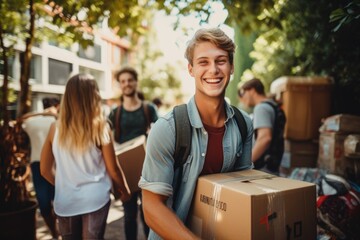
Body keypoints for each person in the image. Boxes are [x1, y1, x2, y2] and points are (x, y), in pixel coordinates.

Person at [138, 28, 253, 239]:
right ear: (191, 69)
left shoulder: (243, 123)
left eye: (221, 61)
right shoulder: (168, 128)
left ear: (231, 67)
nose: (213, 70)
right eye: (203, 62)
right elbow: (152, 208)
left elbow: (242, 187)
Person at [40, 73, 131, 240]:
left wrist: (63, 185)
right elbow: (114, 169)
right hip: (95, 200)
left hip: (66, 201)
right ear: (93, 96)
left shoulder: (55, 128)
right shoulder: (100, 127)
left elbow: (44, 169)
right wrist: (125, 191)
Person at [108, 67, 158, 240]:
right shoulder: (115, 113)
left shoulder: (148, 109)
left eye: (129, 80)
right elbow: (106, 138)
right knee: (129, 216)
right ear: (119, 85)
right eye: (122, 81)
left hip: (147, 170)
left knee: (148, 215)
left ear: (136, 82)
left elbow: (160, 135)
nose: (126, 84)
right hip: (125, 173)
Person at [21, 97, 60, 239]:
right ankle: (60, 229)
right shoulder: (57, 120)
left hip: (37, 164)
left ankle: (54, 232)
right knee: (59, 200)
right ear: (57, 106)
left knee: (44, 204)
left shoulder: (31, 122)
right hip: (57, 163)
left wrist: (38, 113)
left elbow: (21, 119)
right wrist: (52, 114)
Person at [238, 78, 285, 175]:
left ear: (252, 90)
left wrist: (246, 164)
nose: (243, 98)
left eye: (244, 93)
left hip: (262, 168)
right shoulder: (272, 105)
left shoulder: (261, 108)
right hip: (271, 166)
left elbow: (265, 138)